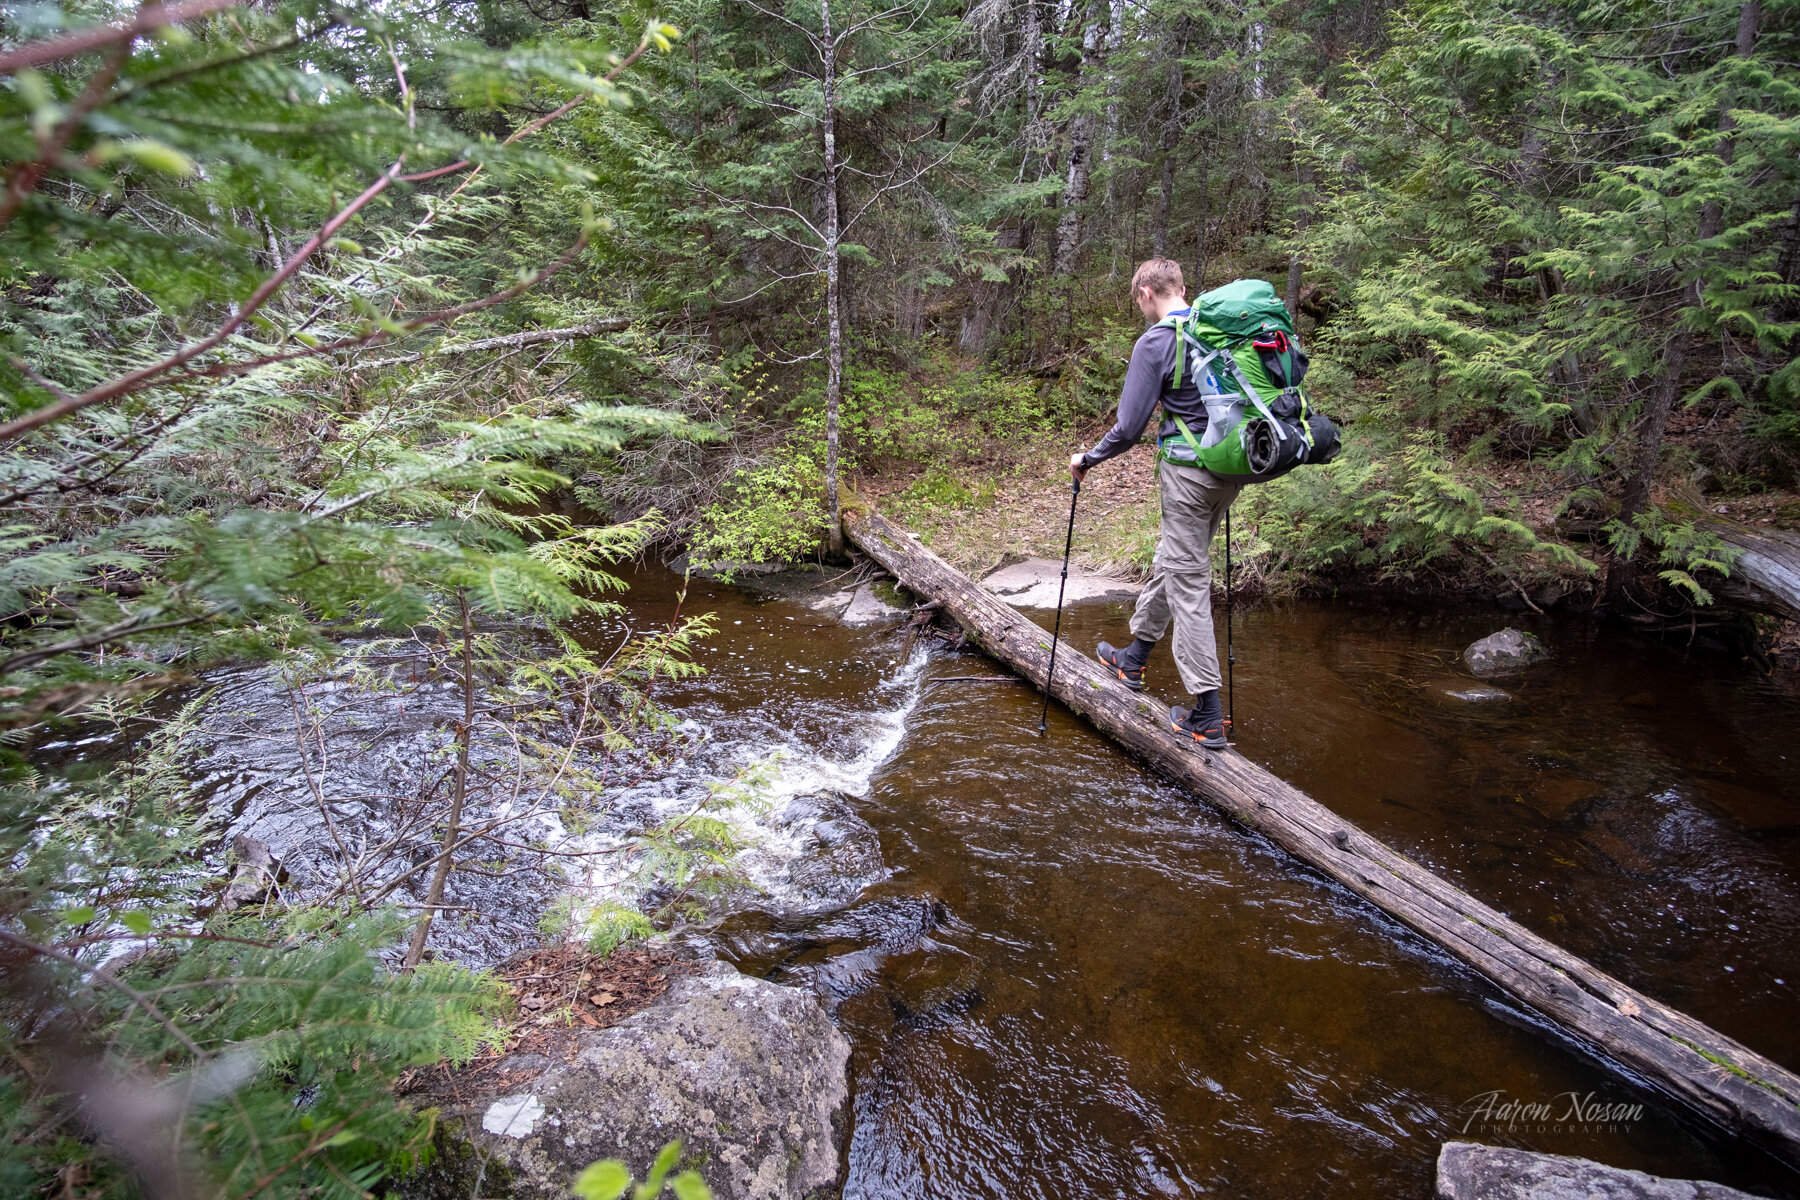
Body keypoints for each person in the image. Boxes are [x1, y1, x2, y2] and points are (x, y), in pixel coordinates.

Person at [1068, 258, 1241, 749]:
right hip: (1229, 470)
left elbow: (1129, 427)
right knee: (1176, 559)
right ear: (1182, 288)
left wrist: (1088, 457)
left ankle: (1207, 714)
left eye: (1137, 299)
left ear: (1146, 292)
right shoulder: (1217, 331)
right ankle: (1135, 657)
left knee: (1187, 581)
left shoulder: (1158, 340)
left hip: (1189, 474)